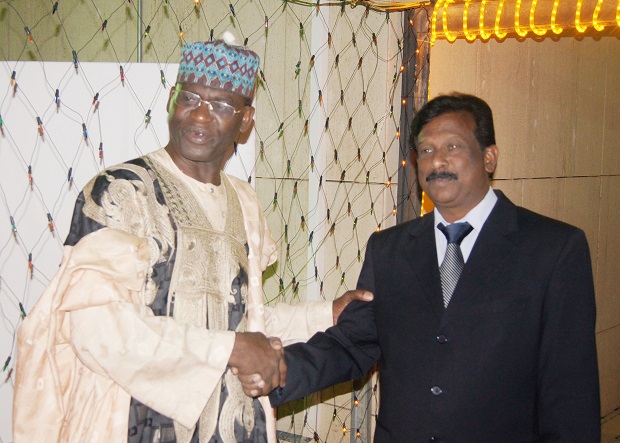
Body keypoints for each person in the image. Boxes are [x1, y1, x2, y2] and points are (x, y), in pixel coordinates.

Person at [12, 40, 371, 443]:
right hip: (131, 424)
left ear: (246, 121)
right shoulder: (121, 192)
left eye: (221, 106)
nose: (199, 115)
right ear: (171, 100)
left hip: (233, 426)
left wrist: (327, 314)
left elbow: (245, 319)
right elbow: (97, 329)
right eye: (190, 98)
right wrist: (229, 349)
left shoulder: (244, 202)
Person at [255, 93, 601, 442]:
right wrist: (279, 370)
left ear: (489, 157)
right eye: (426, 150)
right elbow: (352, 344)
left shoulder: (552, 249)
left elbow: (570, 388)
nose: (437, 161)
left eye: (453, 147)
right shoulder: (389, 250)